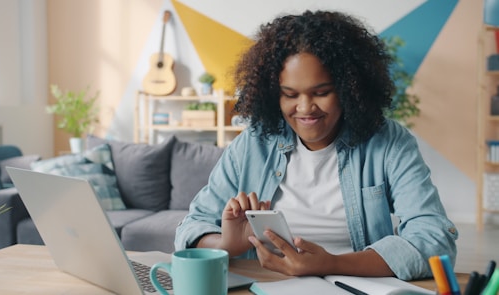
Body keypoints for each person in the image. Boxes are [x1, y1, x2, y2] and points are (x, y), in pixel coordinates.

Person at [174, 10, 458, 280]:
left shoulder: (389, 143)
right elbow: (191, 227)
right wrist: (226, 244)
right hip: (266, 286)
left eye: (321, 93)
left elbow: (434, 240)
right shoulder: (252, 144)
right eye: (290, 94)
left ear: (350, 89)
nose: (305, 108)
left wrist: (332, 264)